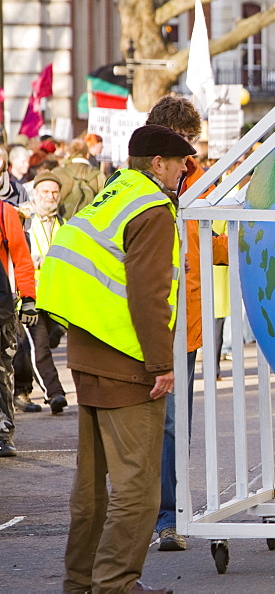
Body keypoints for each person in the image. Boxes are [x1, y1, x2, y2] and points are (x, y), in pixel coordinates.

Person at [38, 124, 192, 592]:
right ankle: (116, 584)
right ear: (159, 164)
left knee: (90, 489)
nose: (187, 168)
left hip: (88, 352)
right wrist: (161, 363)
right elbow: (149, 294)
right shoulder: (153, 208)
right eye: (180, 160)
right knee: (138, 492)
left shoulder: (114, 193)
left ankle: (80, 582)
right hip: (128, 362)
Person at [144, 94, 228, 553]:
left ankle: (170, 515)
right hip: (144, 325)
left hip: (186, 327)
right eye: (187, 144)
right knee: (151, 426)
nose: (193, 153)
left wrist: (242, 242)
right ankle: (159, 516)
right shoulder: (134, 186)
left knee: (176, 426)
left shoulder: (201, 182)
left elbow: (208, 243)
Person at [11, 171, 68, 415]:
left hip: (54, 295)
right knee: (38, 344)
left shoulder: (62, 222)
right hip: (28, 295)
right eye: (45, 191)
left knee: (32, 345)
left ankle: (19, 390)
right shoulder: (21, 217)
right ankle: (54, 393)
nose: (50, 196)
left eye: (54, 192)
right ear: (35, 193)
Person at [0, 189, 39, 455]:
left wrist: (28, 298)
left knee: (2, 370)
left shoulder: (6, 213)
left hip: (1, 308)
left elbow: (22, 259)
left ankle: (3, 433)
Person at [50, 138, 104, 219]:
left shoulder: (57, 173)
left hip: (62, 225)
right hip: (88, 225)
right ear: (87, 155)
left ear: (68, 153)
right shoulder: (98, 175)